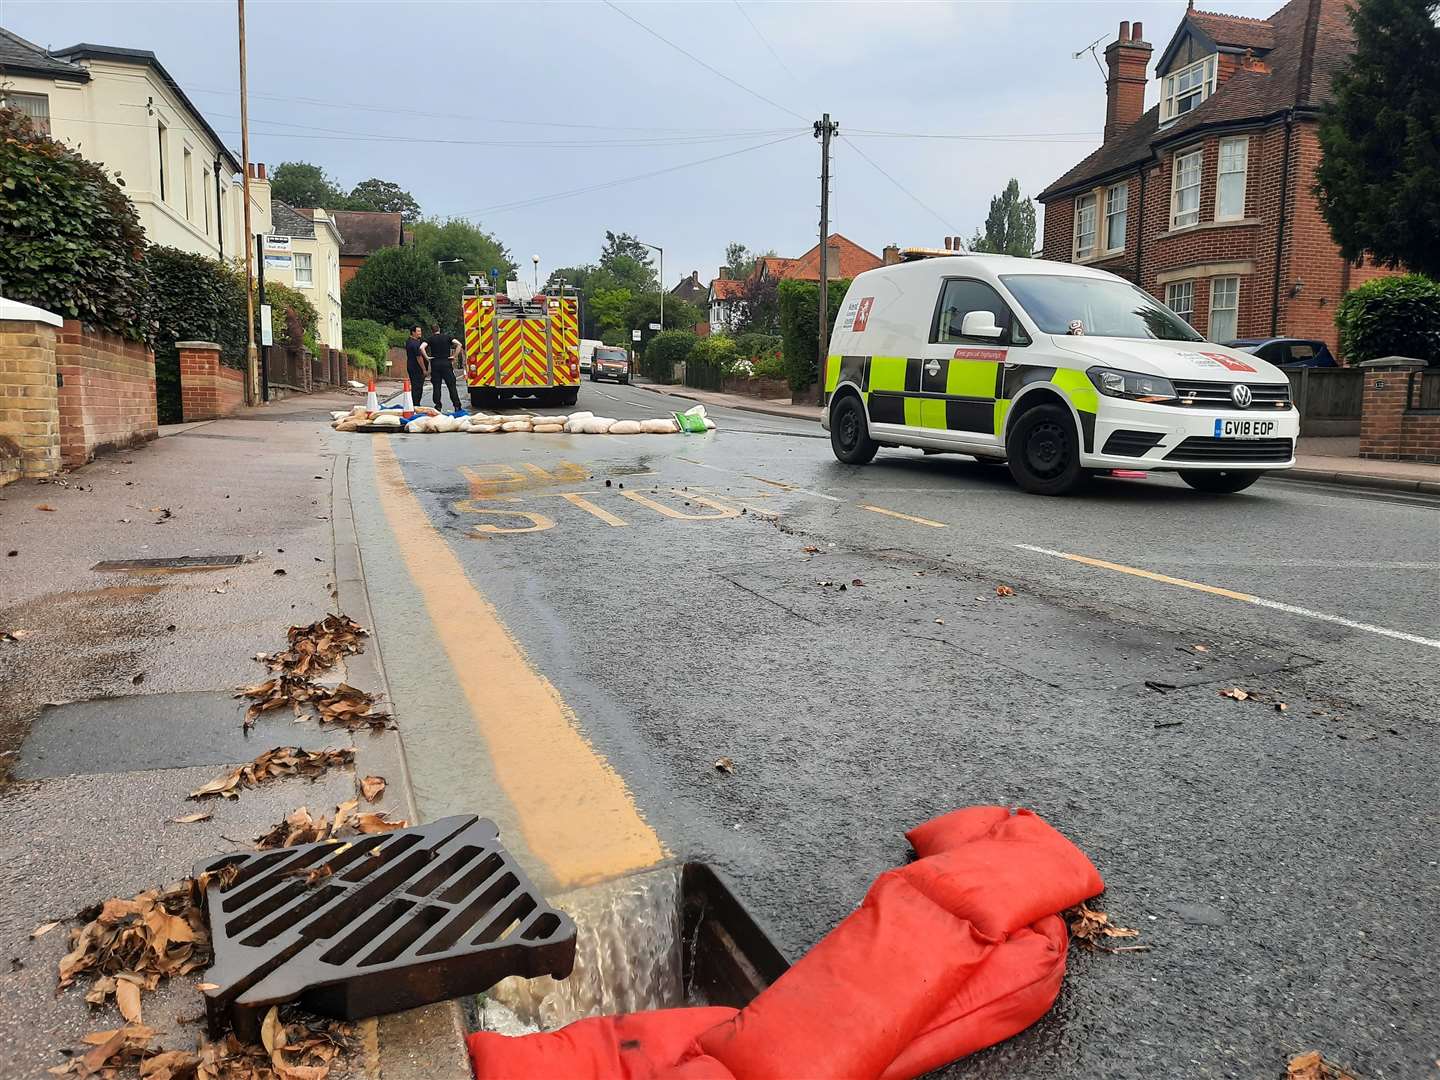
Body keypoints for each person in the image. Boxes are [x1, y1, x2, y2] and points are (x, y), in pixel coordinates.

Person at [420, 323, 464, 412]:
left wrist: (427, 358)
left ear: (432, 331)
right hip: (446, 363)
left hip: (435, 364)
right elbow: (459, 344)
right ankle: (457, 406)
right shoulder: (447, 337)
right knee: (451, 386)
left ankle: (438, 406)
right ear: (439, 329)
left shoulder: (430, 339)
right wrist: (454, 356)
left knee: (436, 386)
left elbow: (421, 347)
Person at [404, 326, 427, 402]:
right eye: (418, 331)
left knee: (415, 386)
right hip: (416, 368)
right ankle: (416, 404)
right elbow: (419, 357)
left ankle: (415, 403)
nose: (420, 333)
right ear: (413, 332)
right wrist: (424, 369)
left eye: (420, 331)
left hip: (411, 366)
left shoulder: (409, 341)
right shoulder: (414, 344)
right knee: (418, 387)